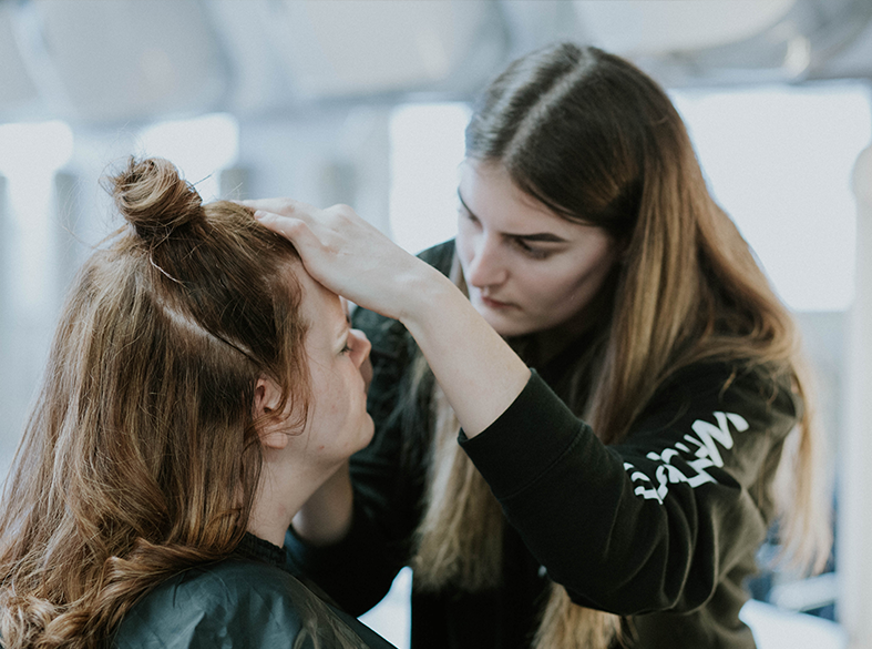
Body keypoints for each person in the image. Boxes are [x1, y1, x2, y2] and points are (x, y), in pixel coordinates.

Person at [248, 43, 832, 649]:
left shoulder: (734, 366)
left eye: (534, 246)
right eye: (469, 216)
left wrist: (436, 309)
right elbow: (345, 581)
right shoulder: (425, 299)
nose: (479, 270)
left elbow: (631, 562)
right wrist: (321, 434)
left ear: (631, 242)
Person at [0, 157, 395, 649]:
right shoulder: (257, 622)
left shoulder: (92, 593)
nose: (364, 350)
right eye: (341, 346)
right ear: (267, 405)